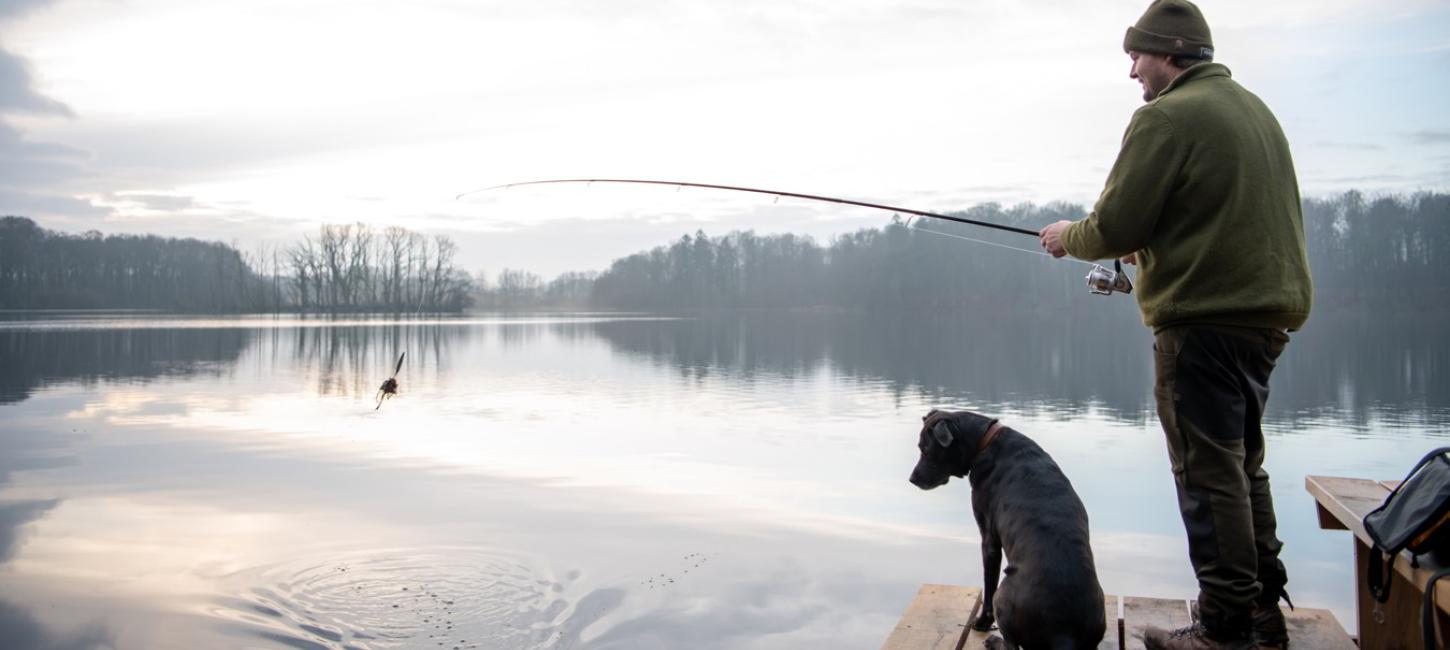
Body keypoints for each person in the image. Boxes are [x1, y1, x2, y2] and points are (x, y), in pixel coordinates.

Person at [1037, 1, 1313, 648]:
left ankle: (1222, 631)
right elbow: (1210, 213)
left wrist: (1065, 237)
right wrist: (1151, 246)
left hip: (1204, 320)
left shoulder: (1165, 117)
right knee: (1241, 468)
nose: (1131, 71)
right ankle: (1261, 615)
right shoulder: (1251, 110)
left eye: (1136, 56)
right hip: (1263, 317)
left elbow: (1113, 226)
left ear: (1169, 52)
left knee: (1206, 474)